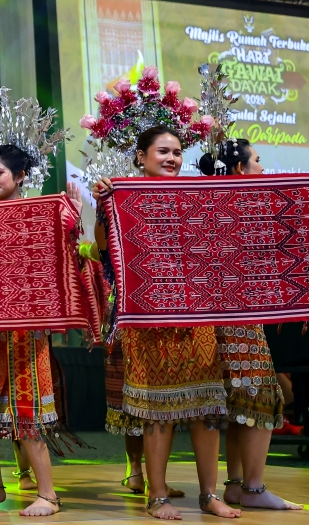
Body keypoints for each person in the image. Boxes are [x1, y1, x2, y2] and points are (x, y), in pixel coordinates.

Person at [95, 126, 238, 520]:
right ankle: (157, 495)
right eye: (163, 151)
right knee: (156, 410)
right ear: (141, 156)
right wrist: (106, 201)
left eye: (177, 152)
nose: (173, 158)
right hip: (147, 318)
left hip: (197, 316)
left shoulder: (195, 194)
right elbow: (105, 248)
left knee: (207, 406)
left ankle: (209, 495)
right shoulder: (118, 194)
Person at [0, 145, 82, 517]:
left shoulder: (41, 214)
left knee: (28, 418)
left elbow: (64, 257)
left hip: (26, 334)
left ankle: (48, 496)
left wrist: (71, 216)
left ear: (21, 176)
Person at [198, 138, 301, 511]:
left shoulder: (211, 204)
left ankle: (237, 484)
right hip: (237, 319)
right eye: (257, 160)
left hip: (222, 318)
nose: (263, 166)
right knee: (257, 397)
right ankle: (253, 487)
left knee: (240, 401)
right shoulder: (240, 207)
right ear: (240, 169)